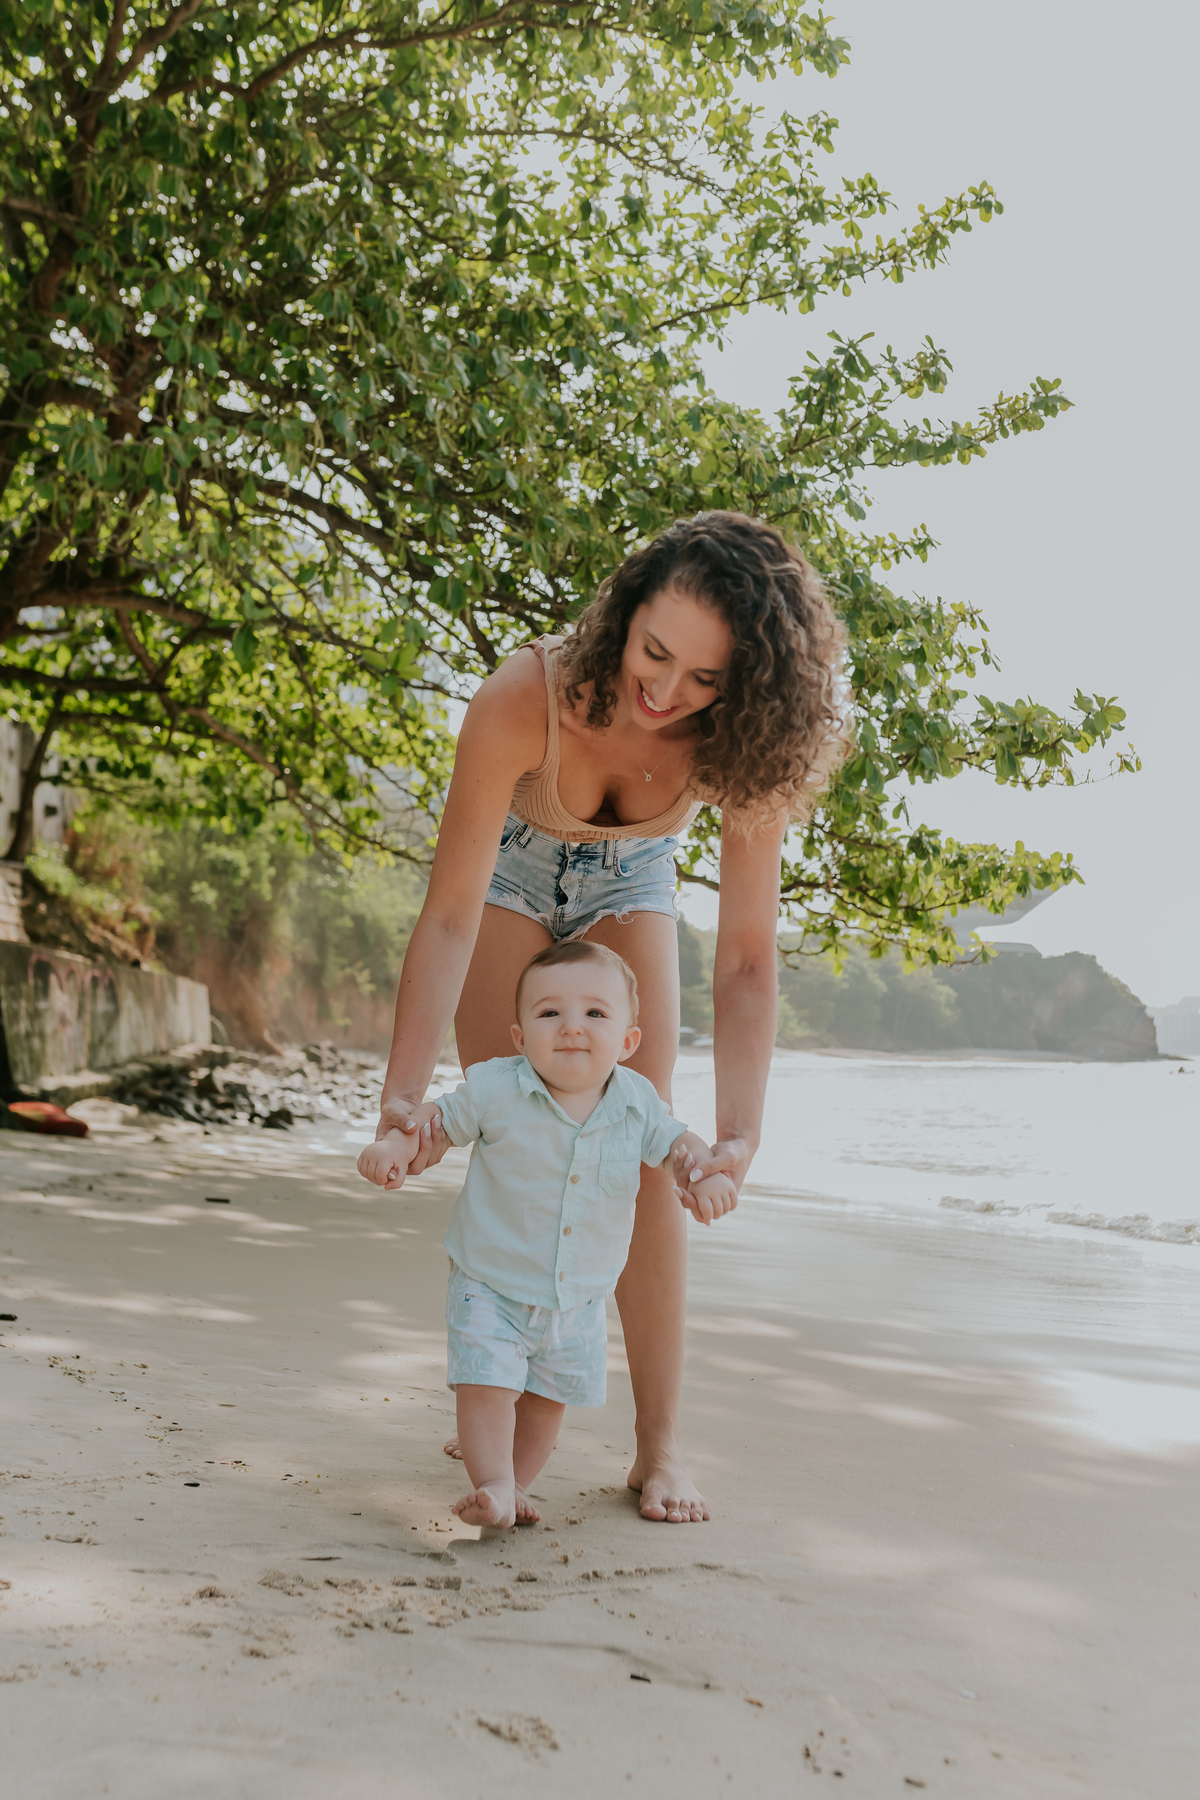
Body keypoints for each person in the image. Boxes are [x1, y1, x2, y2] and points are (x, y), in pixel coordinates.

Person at [375, 510, 846, 1523]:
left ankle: (659, 1447)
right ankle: (501, 1384)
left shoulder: (741, 747)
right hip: (511, 872)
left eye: (705, 678)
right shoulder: (524, 695)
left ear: (747, 685)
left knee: (638, 1140)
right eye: (655, 653)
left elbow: (747, 958)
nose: (667, 692)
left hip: (634, 880)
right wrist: (403, 1098)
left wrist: (739, 1137)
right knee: (523, 1124)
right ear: (628, 613)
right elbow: (450, 914)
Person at [359, 940, 736, 1529]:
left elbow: (678, 1146)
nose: (572, 1027)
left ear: (628, 1041)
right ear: (519, 1036)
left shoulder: (637, 1102)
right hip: (489, 1282)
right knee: (485, 1385)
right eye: (550, 1012)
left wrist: (703, 1173)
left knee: (546, 1402)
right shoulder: (496, 1088)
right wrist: (394, 1146)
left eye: (595, 1013)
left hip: (577, 1298)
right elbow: (436, 1123)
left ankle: (515, 1485)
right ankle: (493, 1483)